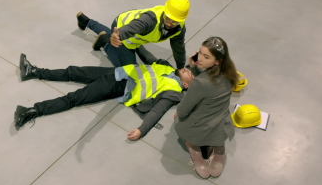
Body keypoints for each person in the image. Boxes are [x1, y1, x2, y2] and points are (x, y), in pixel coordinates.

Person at [15, 53, 195, 140]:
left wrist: (142, 130)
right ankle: (33, 71)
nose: (188, 70)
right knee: (73, 72)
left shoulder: (174, 91)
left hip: (116, 86)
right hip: (117, 73)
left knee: (75, 98)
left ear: (186, 85)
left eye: (191, 75)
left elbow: (158, 111)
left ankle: (31, 112)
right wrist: (132, 36)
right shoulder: (168, 68)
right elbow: (146, 54)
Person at [173, 36, 239, 179]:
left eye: (206, 56)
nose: (200, 58)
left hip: (201, 124)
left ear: (217, 61)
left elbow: (184, 109)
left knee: (178, 118)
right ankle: (218, 147)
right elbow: (209, 84)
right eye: (200, 53)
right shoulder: (230, 73)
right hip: (221, 120)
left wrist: (179, 111)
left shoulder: (199, 83)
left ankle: (194, 148)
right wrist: (194, 68)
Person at [76, 0, 190, 69]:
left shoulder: (179, 28)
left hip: (130, 34)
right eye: (168, 18)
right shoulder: (150, 20)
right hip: (122, 29)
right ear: (165, 11)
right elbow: (134, 27)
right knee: (128, 70)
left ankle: (86, 21)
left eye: (174, 21)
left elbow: (178, 48)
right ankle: (106, 42)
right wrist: (118, 35)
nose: (170, 23)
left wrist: (180, 68)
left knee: (129, 48)